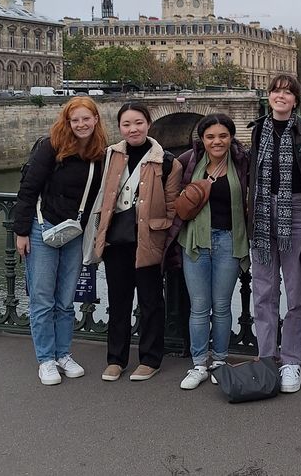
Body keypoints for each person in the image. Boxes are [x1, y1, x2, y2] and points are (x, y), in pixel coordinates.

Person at [248, 73, 301, 393]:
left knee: (297, 292)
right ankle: (267, 356)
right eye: (275, 91)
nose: (280, 96)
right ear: (269, 96)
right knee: (264, 292)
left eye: (287, 92)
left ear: (296, 99)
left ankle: (292, 360)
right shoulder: (258, 130)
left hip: (296, 212)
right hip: (260, 213)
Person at [14, 96, 107, 385]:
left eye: (85, 119)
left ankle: (63, 353)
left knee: (66, 300)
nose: (81, 124)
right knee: (42, 299)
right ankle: (46, 359)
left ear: (95, 120)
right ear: (66, 122)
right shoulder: (50, 147)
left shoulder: (99, 153)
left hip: (74, 233)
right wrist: (21, 232)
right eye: (75, 119)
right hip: (43, 228)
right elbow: (28, 188)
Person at [91, 103, 182, 382]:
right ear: (119, 127)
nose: (133, 129)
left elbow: (171, 206)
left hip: (149, 240)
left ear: (148, 124)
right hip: (116, 239)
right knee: (118, 300)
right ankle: (116, 359)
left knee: (150, 301)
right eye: (127, 124)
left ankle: (150, 358)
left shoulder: (166, 162)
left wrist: (162, 237)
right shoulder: (109, 156)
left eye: (139, 123)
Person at [167, 113, 251, 390]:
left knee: (222, 306)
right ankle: (199, 363)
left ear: (231, 137)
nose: (217, 141)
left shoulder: (241, 162)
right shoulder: (188, 162)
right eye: (211, 136)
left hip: (229, 240)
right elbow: (171, 195)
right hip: (195, 241)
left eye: (223, 136)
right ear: (202, 139)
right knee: (200, 307)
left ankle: (221, 361)